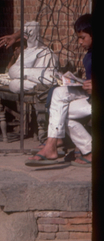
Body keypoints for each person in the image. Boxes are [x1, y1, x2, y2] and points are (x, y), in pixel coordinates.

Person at [26, 14, 93, 166]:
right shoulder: (88, 56)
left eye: (83, 37)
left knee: (61, 111)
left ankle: (55, 146)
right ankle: (55, 145)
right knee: (59, 94)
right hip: (90, 100)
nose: (80, 42)